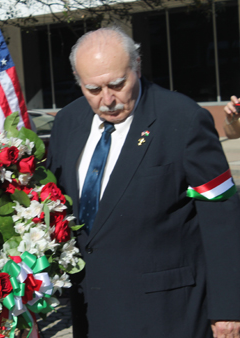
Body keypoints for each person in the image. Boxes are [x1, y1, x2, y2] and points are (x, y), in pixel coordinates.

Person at [46, 26, 240, 338]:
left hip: (168, 311)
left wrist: (229, 308)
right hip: (93, 309)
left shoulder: (183, 119)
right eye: (93, 89)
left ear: (137, 65)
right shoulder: (68, 122)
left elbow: (221, 217)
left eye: (117, 85)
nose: (107, 100)